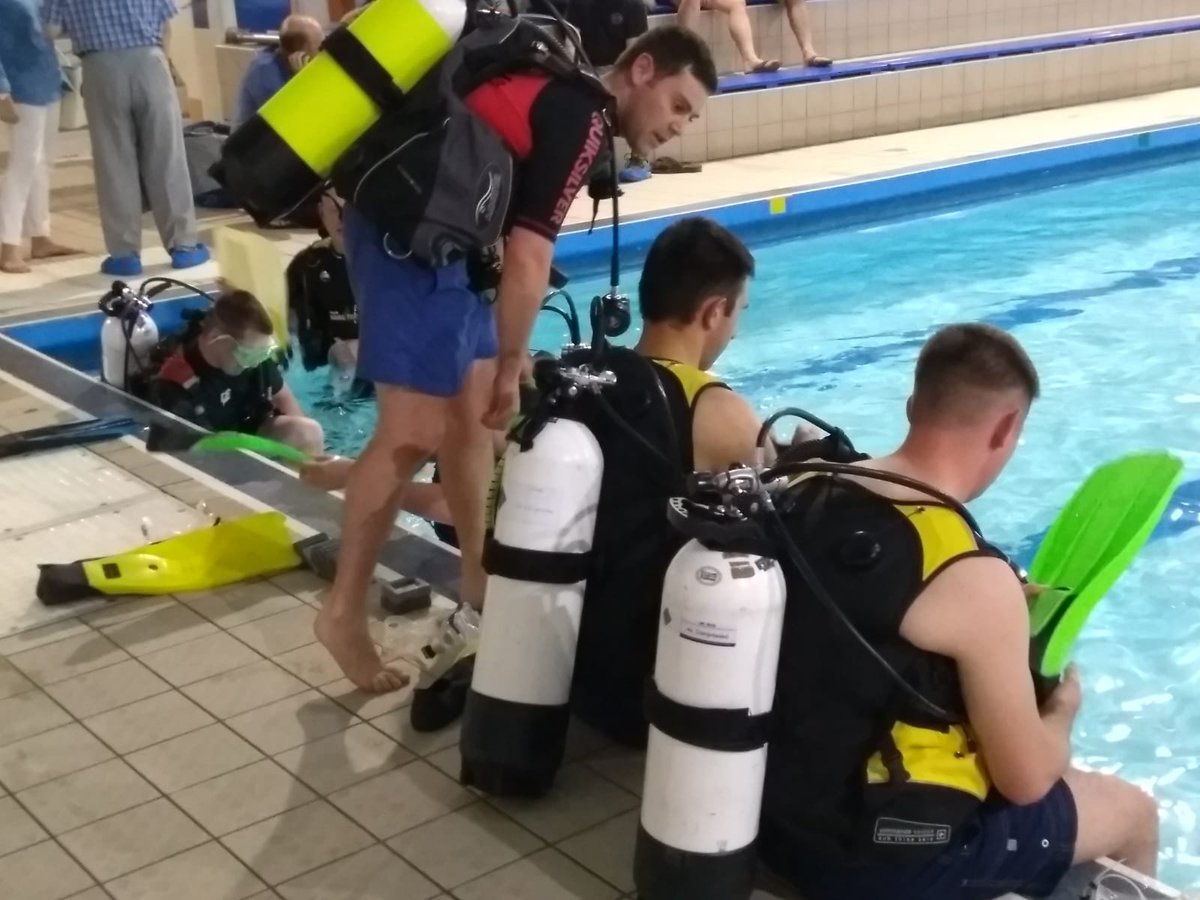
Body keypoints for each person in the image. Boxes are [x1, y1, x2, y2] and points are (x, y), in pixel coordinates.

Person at [317, 25, 718, 692]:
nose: (679, 126)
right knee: (411, 431)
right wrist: (511, 362)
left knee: (475, 416)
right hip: (404, 243)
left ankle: (478, 575)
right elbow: (531, 258)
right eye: (678, 104)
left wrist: (503, 361)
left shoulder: (565, 100)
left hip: (445, 248)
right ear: (642, 70)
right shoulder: (581, 117)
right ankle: (342, 618)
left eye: (690, 116)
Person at [758, 324, 1160, 899]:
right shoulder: (973, 577)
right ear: (1006, 429)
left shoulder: (807, 485)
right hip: (879, 863)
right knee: (1133, 812)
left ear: (912, 405)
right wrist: (1064, 714)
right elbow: (1025, 780)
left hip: (769, 822)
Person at [43, 0, 209, 276]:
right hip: (149, 62)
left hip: (100, 67)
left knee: (113, 162)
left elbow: (50, 29)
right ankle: (184, 247)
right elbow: (167, 23)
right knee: (166, 156)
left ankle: (124, 254)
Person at [148, 289, 325, 455]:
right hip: (207, 451)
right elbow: (178, 454)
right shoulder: (175, 381)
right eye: (248, 355)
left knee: (309, 432)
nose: (255, 362)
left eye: (261, 354)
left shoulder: (254, 355)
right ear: (216, 338)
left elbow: (283, 397)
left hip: (248, 433)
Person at [0, 0, 78, 273]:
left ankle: (40, 236)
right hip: (20, 84)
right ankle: (8, 245)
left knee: (43, 162)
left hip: (47, 79)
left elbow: (51, 31)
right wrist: (1, 91)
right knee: (23, 165)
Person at [285, 191, 362, 394]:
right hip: (324, 377)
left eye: (349, 211)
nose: (341, 220)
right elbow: (286, 328)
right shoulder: (307, 266)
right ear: (321, 212)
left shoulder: (388, 266)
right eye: (332, 210)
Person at [232, 14, 324, 128]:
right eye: (319, 47)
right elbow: (293, 122)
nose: (322, 54)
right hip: (251, 143)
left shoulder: (288, 63)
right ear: (301, 54)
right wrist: (302, 81)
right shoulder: (264, 71)